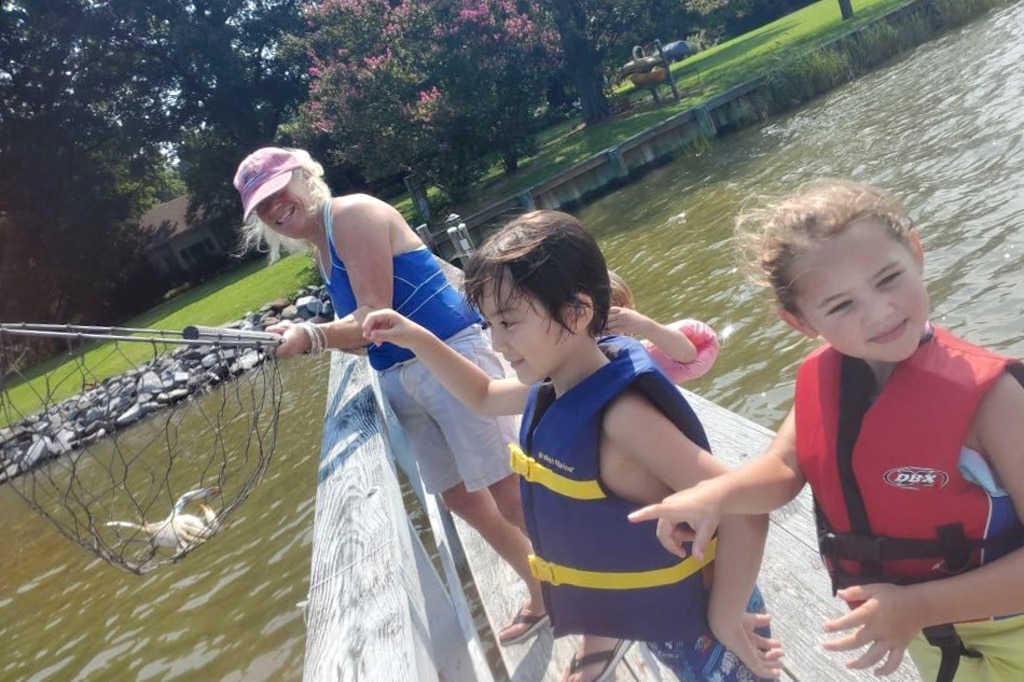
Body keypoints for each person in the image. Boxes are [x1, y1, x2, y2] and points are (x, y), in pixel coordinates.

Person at [361, 210, 783, 682]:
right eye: (488, 326)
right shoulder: (554, 388)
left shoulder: (622, 419)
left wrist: (725, 618)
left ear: (578, 311)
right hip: (659, 612)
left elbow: (745, 506)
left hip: (708, 619)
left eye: (509, 323)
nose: (497, 343)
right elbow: (481, 396)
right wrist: (415, 336)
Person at [630, 179, 1024, 682]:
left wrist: (919, 606)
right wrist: (713, 495)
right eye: (841, 306)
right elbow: (781, 469)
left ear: (916, 251)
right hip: (924, 631)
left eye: (887, 278)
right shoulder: (824, 382)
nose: (879, 312)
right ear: (798, 321)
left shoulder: (993, 400)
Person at [232, 146, 547, 645]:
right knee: (462, 498)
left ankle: (588, 585)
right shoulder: (322, 246)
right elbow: (366, 339)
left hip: (448, 358)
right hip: (402, 374)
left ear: (304, 177)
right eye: (262, 205)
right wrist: (313, 336)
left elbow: (373, 316)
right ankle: (543, 588)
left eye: (278, 192)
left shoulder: (351, 214)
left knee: (507, 488)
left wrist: (308, 336)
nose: (275, 207)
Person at [607, 270, 720, 383]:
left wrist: (645, 326)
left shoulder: (636, 357)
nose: (605, 335)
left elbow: (688, 356)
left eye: (613, 321)